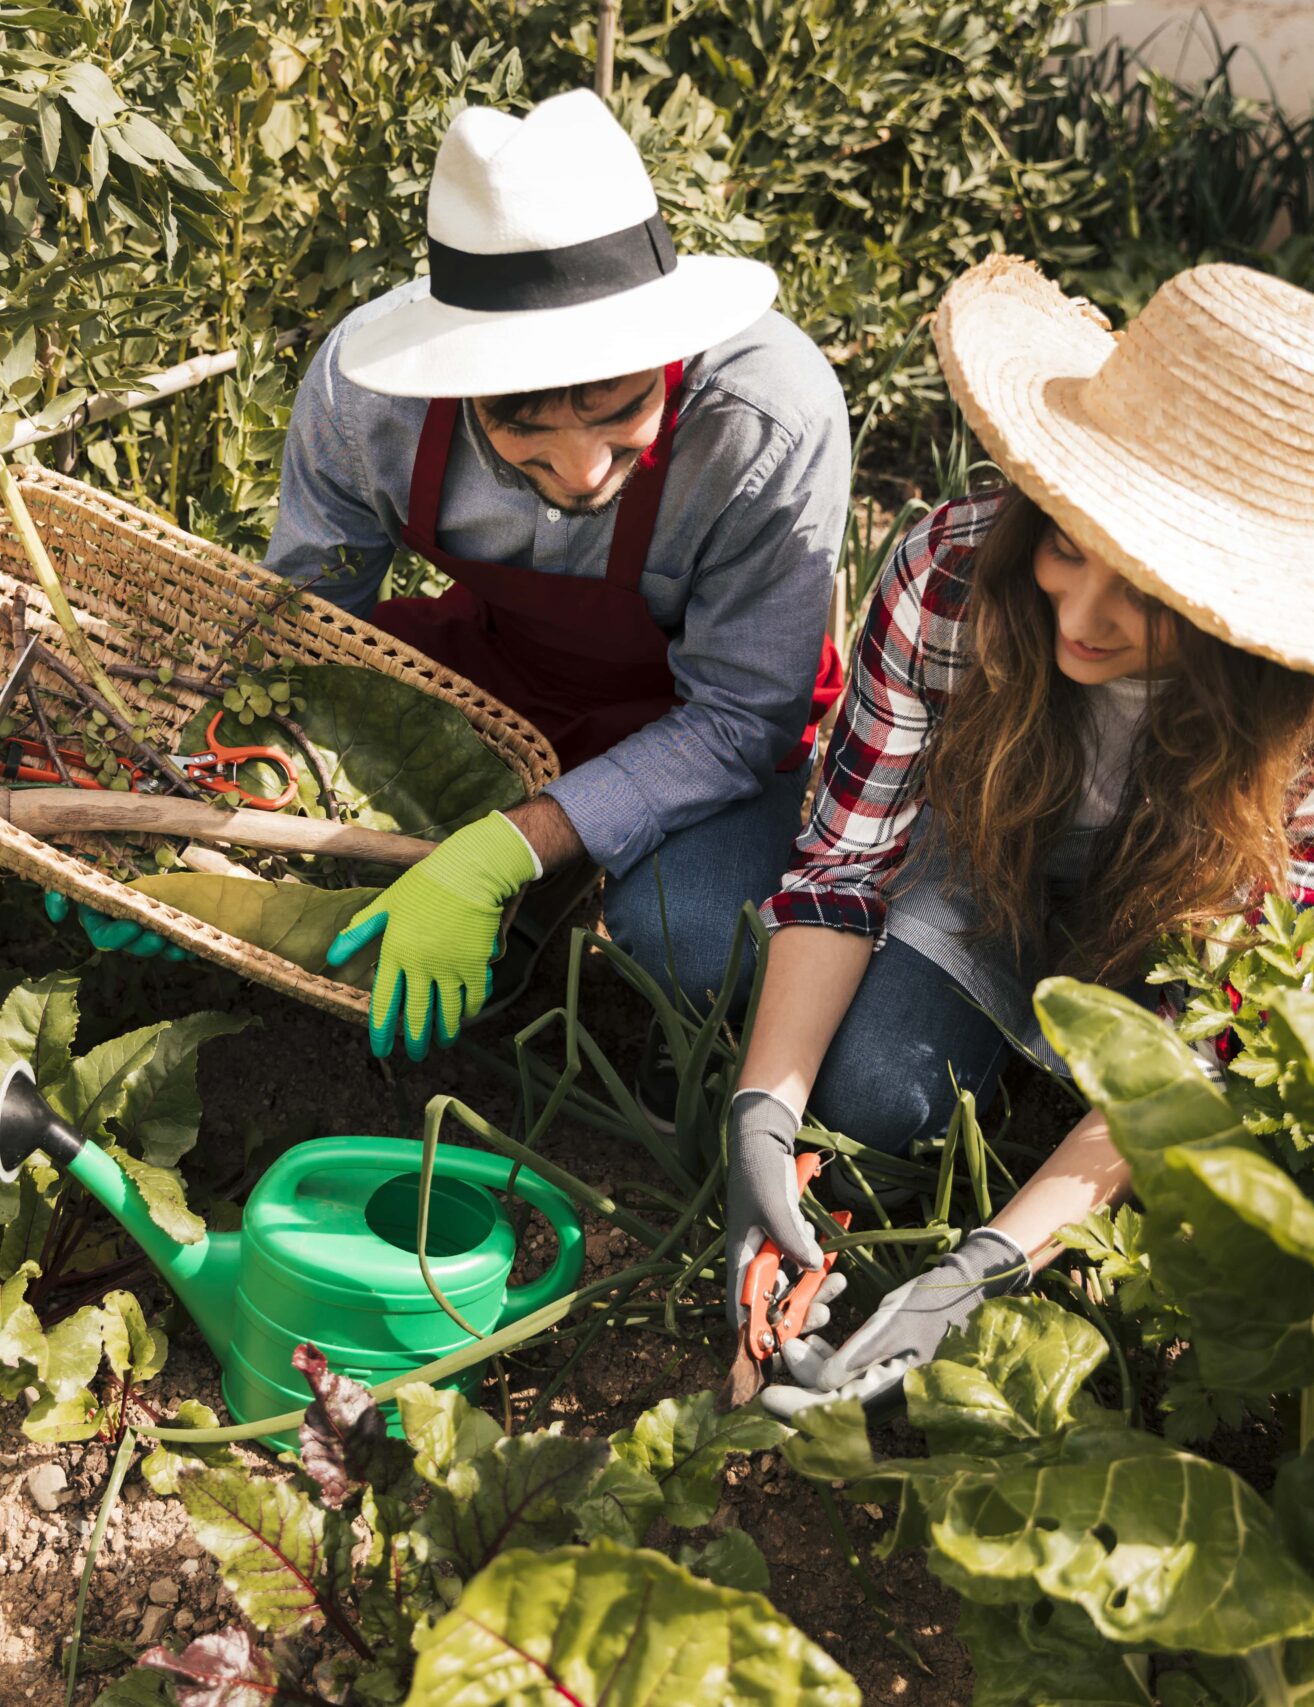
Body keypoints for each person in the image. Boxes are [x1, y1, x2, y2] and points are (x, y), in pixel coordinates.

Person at [729, 255, 1314, 1414]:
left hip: (1189, 929)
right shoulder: (952, 574)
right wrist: (759, 1118)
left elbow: (1209, 1025)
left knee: (1290, 1138)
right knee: (872, 1097)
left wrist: (983, 1269)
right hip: (993, 871)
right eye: (1063, 546)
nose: (1078, 620)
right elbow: (848, 861)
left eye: (1145, 596)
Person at [58, 90, 848, 1063]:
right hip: (494, 673)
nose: (582, 471)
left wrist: (502, 850)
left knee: (692, 951)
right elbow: (305, 633)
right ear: (459, 376)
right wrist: (177, 800)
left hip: (701, 724)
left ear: (667, 351)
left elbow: (740, 716)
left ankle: (543, 877)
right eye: (522, 430)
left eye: (619, 413)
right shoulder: (367, 403)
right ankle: (525, 886)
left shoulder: (768, 418)